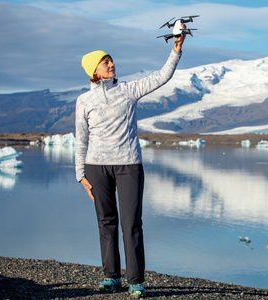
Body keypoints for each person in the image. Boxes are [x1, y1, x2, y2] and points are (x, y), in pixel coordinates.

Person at [75, 35, 185, 298]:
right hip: (96, 167)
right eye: (104, 62)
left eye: (110, 59)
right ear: (93, 71)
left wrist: (176, 50)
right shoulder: (84, 101)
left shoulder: (128, 89)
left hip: (129, 165)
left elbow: (161, 77)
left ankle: (136, 281)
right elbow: (81, 137)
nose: (111, 64)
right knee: (106, 221)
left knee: (131, 223)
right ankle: (111, 277)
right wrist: (80, 174)